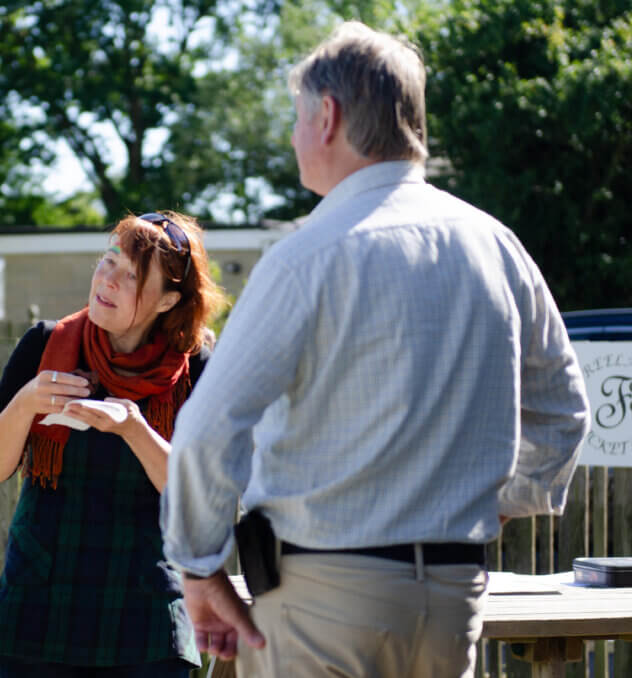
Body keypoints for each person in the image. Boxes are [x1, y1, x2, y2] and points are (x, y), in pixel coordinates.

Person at [160, 22, 591, 678]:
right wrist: (485, 504)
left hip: (322, 601)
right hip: (453, 600)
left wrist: (197, 567)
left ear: (327, 116)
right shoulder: (495, 244)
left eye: (298, 117)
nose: (296, 135)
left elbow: (207, 429)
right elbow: (563, 412)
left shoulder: (308, 256)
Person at [0, 211, 226, 677]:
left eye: (131, 274)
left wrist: (135, 429)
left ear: (169, 299)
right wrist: (29, 400)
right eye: (107, 262)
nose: (107, 280)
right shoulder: (45, 345)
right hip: (39, 601)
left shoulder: (195, 369)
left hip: (146, 614)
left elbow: (202, 496)